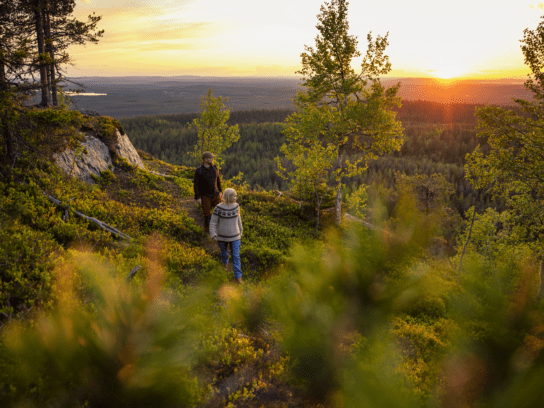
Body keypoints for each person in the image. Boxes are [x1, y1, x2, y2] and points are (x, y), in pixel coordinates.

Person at [209, 188, 243, 284]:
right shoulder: (218, 208)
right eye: (234, 196)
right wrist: (213, 233)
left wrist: (241, 230)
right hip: (221, 237)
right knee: (224, 254)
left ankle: (238, 277)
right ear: (229, 196)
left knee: (236, 256)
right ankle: (225, 266)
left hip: (235, 236)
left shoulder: (236, 206)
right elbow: (213, 222)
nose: (236, 198)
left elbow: (238, 220)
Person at [193, 151, 222, 232]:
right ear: (205, 160)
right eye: (210, 158)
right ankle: (207, 231)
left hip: (216, 194)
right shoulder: (199, 170)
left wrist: (220, 191)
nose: (212, 159)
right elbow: (196, 185)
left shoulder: (215, 168)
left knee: (220, 212)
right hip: (205, 195)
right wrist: (198, 197)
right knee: (207, 215)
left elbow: (218, 180)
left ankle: (219, 229)